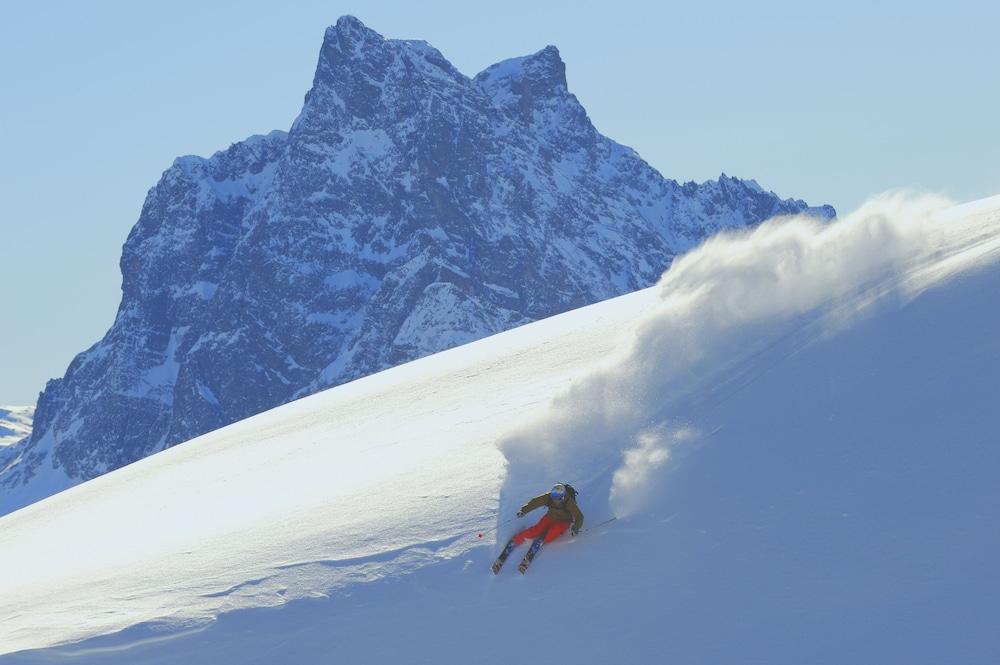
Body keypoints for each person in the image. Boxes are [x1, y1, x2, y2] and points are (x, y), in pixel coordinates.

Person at [513, 483, 584, 545]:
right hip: (550, 517)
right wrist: (523, 510)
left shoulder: (569, 502)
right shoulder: (549, 496)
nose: (555, 500)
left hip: (564, 521)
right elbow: (535, 502)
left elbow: (579, 516)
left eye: (557, 498)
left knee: (552, 533)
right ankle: (517, 539)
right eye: (553, 497)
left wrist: (575, 527)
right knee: (536, 530)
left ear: (562, 496)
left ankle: (544, 538)